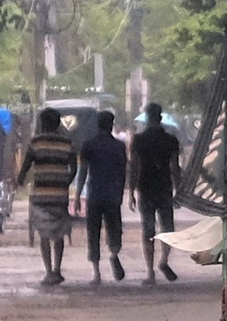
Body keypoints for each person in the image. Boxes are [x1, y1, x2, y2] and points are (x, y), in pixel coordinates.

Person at [22, 108, 76, 285]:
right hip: (60, 196)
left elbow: (25, 167)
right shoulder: (67, 143)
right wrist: (65, 182)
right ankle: (57, 270)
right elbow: (74, 168)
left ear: (42, 123)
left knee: (44, 235)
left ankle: (48, 272)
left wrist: (20, 181)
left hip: (40, 196)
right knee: (59, 234)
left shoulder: (35, 142)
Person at [131, 103, 182, 283]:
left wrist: (131, 191)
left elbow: (134, 167)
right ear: (160, 117)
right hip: (164, 187)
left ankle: (150, 272)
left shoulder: (138, 140)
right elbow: (175, 168)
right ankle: (164, 261)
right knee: (167, 228)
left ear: (147, 117)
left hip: (146, 187)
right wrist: (179, 190)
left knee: (148, 230)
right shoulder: (171, 140)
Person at [76, 107, 128, 283]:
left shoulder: (88, 145)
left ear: (97, 125)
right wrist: (121, 193)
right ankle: (114, 253)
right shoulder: (119, 146)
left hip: (95, 193)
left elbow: (83, 171)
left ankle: (97, 273)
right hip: (113, 193)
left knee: (93, 232)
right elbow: (123, 173)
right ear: (111, 125)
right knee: (114, 228)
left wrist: (77, 196)